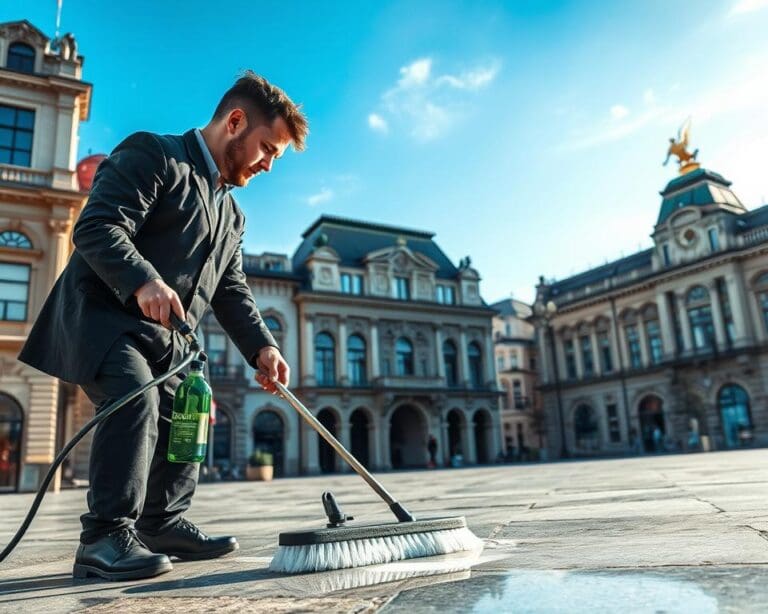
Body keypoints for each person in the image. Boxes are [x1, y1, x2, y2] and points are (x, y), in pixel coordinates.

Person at [18, 71, 308, 581]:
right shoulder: (154, 154)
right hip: (102, 318)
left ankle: (161, 522)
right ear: (235, 122)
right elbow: (97, 226)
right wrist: (143, 280)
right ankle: (104, 536)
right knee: (135, 396)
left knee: (191, 408)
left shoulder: (232, 215)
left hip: (168, 340)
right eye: (268, 149)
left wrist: (262, 346)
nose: (268, 164)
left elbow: (230, 290)